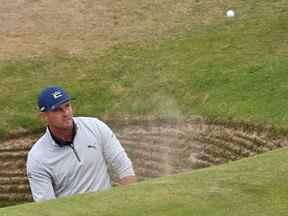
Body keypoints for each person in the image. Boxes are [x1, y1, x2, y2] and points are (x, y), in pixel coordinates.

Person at [26, 86, 136, 202]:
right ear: (44, 116)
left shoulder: (95, 127)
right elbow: (45, 206)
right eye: (57, 110)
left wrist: (131, 201)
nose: (66, 113)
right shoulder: (37, 158)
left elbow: (123, 168)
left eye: (67, 106)